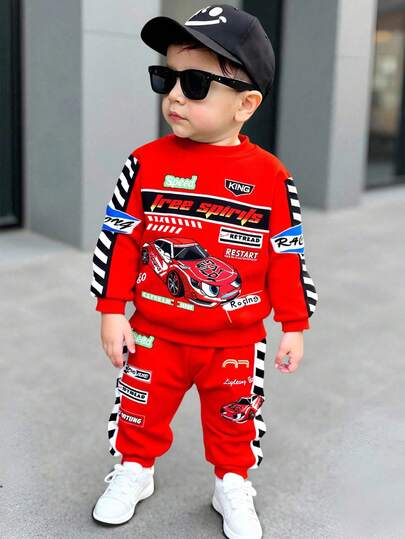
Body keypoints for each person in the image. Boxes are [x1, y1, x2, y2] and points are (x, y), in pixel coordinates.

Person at [89, 4, 318, 538]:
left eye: (193, 84)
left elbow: (287, 254)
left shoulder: (270, 177)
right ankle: (135, 469)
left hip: (235, 339)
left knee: (235, 419)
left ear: (246, 104)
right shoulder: (144, 163)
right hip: (154, 332)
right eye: (165, 77)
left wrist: (295, 324)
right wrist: (111, 310)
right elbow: (119, 239)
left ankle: (232, 482)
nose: (174, 95)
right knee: (139, 412)